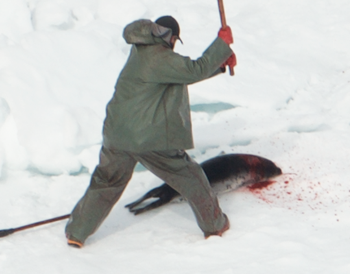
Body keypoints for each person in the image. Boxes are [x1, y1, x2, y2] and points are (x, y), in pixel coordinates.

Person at [65, 15, 237, 248]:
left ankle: (76, 231)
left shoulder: (141, 52)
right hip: (146, 138)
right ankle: (215, 225)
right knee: (193, 178)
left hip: (117, 134)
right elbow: (193, 70)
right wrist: (221, 44)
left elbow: (182, 73)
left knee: (106, 183)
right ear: (172, 37)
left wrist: (220, 64)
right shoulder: (159, 57)